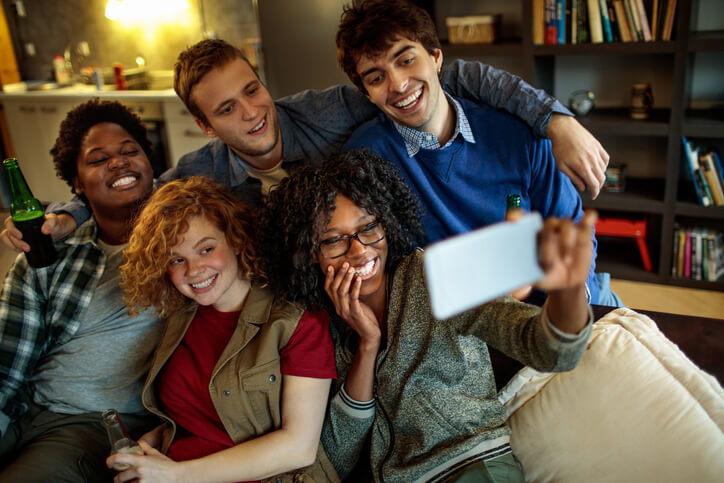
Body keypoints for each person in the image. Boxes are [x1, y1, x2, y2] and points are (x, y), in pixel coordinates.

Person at [2, 37, 608, 250]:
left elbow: (439, 79)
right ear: (208, 127)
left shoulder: (328, 108)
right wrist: (69, 211)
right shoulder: (204, 169)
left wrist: (556, 119)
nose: (253, 112)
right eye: (228, 109)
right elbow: (141, 194)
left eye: (253, 89)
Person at [260, 148, 595, 482]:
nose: (360, 249)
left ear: (386, 223)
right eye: (333, 240)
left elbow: (550, 351)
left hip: (472, 468)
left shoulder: (433, 276)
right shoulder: (323, 326)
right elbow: (336, 458)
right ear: (309, 255)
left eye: (369, 227)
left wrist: (569, 287)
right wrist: (368, 344)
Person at [336, 0, 621, 306]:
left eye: (406, 60)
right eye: (376, 78)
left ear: (436, 58)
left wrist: (569, 298)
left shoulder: (520, 134)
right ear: (366, 93)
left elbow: (573, 231)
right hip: (461, 328)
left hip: (561, 303)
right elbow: (386, 268)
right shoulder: (364, 159)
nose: (399, 84)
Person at [111, 176, 338, 482]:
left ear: (235, 239)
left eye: (206, 249)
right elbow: (203, 416)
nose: (193, 271)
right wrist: (152, 445)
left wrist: (176, 475)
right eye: (177, 259)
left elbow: (298, 448)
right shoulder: (182, 317)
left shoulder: (296, 322)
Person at [0, 99, 161, 482]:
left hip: (90, 423)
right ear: (76, 183)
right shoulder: (50, 252)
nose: (119, 162)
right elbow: (7, 359)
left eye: (129, 151)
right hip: (27, 406)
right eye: (98, 159)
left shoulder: (183, 242)